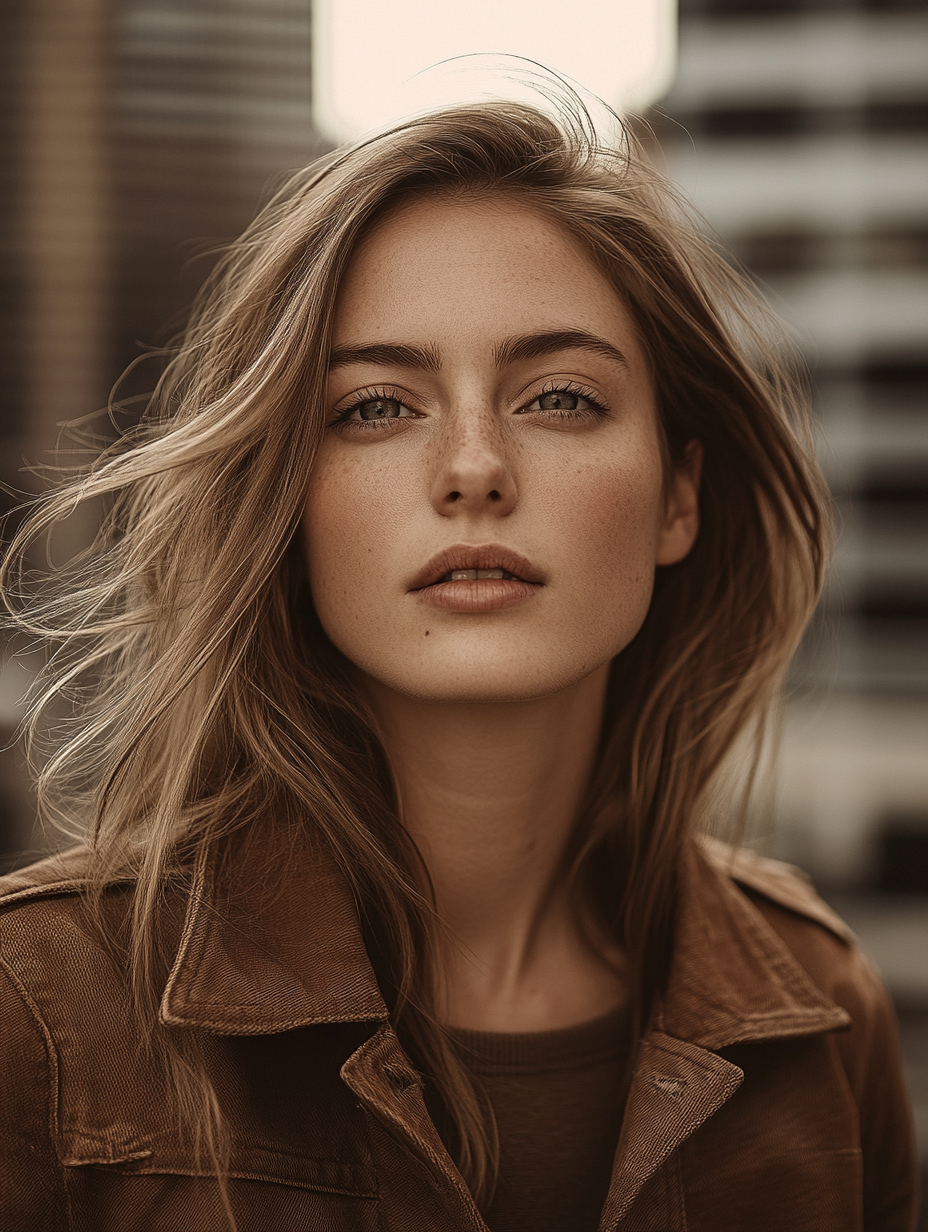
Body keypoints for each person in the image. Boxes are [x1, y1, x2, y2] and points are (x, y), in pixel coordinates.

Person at [0, 97, 916, 1232]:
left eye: (560, 398)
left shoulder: (818, 1014)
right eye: (375, 405)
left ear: (678, 494)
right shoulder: (39, 1008)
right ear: (287, 498)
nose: (473, 468)